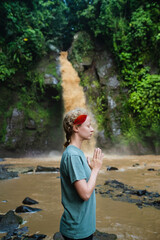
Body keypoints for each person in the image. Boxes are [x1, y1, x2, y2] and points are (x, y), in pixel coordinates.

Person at [60, 108, 103, 240]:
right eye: (88, 125)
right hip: (77, 230)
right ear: (76, 128)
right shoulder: (73, 155)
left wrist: (90, 170)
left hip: (82, 227)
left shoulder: (77, 153)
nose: (92, 129)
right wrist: (95, 169)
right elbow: (84, 194)